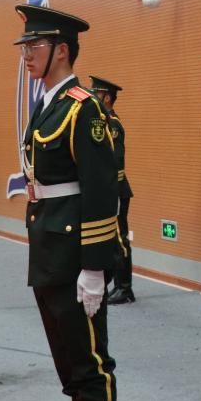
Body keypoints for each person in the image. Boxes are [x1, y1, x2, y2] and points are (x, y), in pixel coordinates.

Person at [13, 4, 120, 401]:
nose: (26, 55)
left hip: (75, 252)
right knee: (70, 364)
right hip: (50, 248)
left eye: (34, 46)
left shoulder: (84, 109)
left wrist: (95, 267)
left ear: (61, 50)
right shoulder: (48, 104)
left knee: (91, 364)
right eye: (25, 47)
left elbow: (101, 191)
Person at [90, 76, 134, 304]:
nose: (93, 97)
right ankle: (117, 284)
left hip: (115, 189)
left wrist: (108, 189)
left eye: (96, 94)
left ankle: (124, 288)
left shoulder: (112, 125)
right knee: (111, 239)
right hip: (108, 189)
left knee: (119, 238)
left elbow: (115, 160)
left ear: (107, 98)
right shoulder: (103, 121)